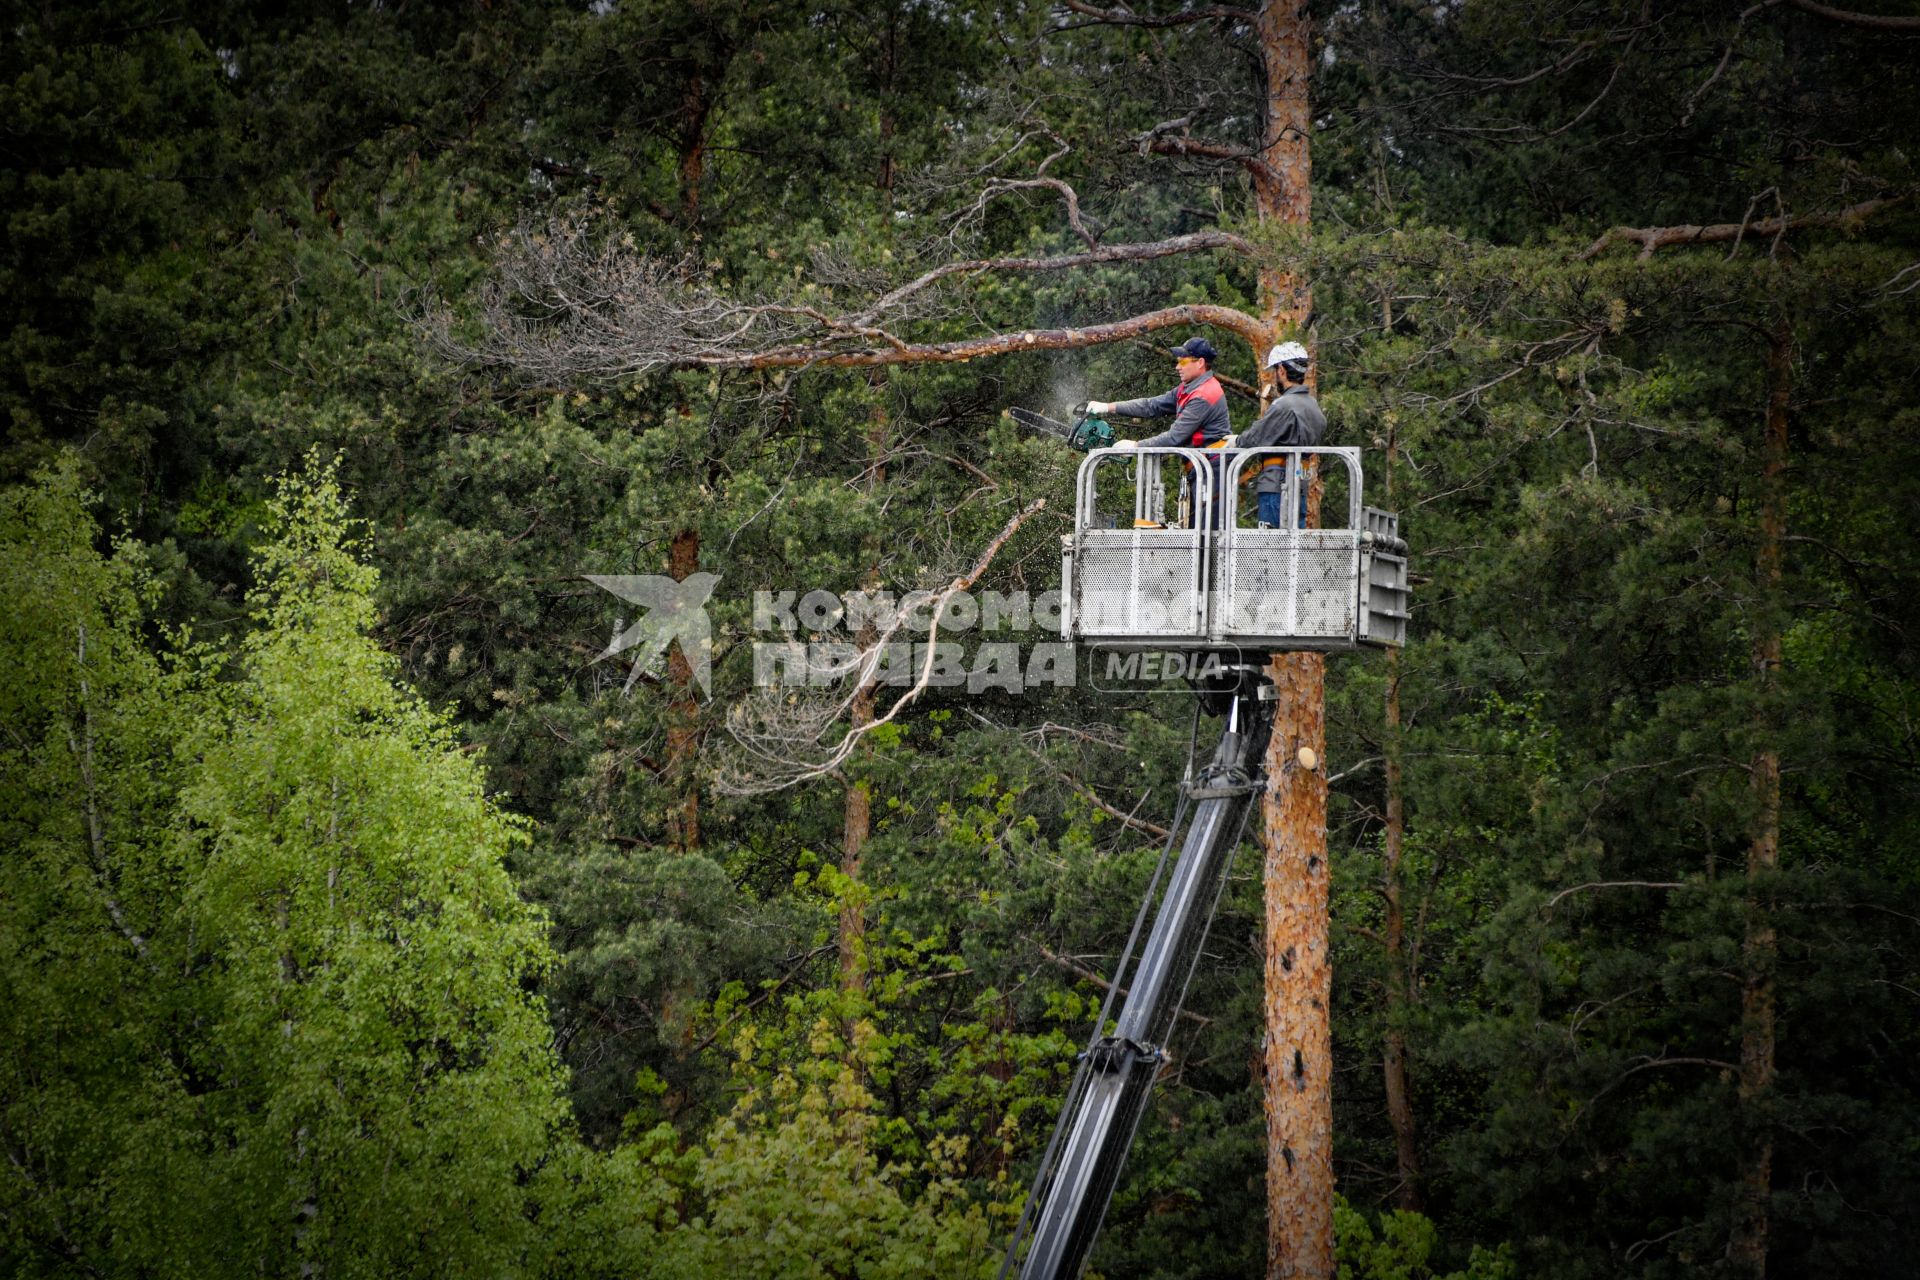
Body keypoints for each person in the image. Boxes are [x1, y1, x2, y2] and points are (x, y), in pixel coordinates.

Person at [1086, 337, 1233, 528]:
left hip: (1212, 470)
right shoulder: (1188, 388)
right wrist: (1109, 407)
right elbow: (1151, 406)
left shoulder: (1204, 395)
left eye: (1183, 361)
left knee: (1206, 536)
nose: (1177, 367)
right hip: (1201, 467)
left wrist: (1136, 446)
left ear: (1200, 363)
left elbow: (1174, 437)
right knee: (1197, 531)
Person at [1235, 341, 1326, 528]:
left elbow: (1253, 438)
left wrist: (1234, 441)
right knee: (1292, 548)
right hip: (1299, 486)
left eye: (1275, 371)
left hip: (1276, 487)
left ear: (1282, 371)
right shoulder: (1313, 407)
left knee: (1271, 551)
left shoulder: (1283, 405)